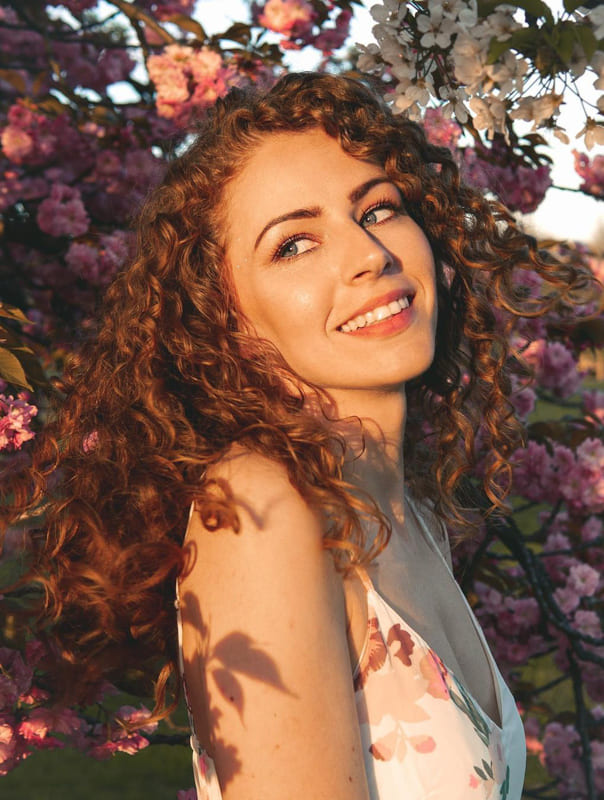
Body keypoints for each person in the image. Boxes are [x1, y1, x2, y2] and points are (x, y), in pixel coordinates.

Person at [1, 72, 593, 800]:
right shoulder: (259, 505)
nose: (369, 254)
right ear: (224, 321)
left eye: (378, 209)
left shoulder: (416, 520)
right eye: (294, 245)